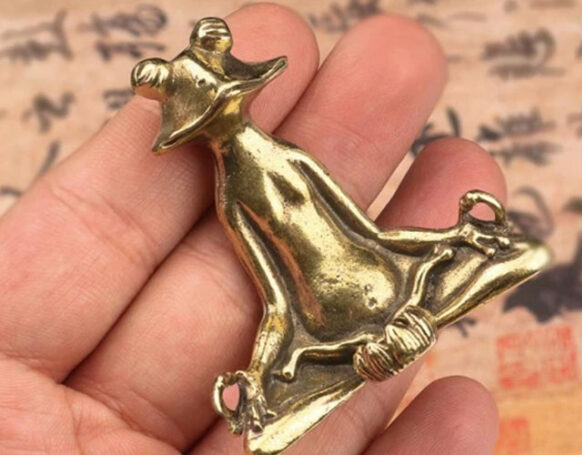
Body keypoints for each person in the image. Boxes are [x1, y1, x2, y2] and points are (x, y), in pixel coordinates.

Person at [0, 4, 503, 454]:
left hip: (380, 281)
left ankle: (472, 253)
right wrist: (261, 373)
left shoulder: (288, 158)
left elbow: (365, 235)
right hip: (328, 321)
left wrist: (451, 239)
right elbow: (278, 296)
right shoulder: (233, 195)